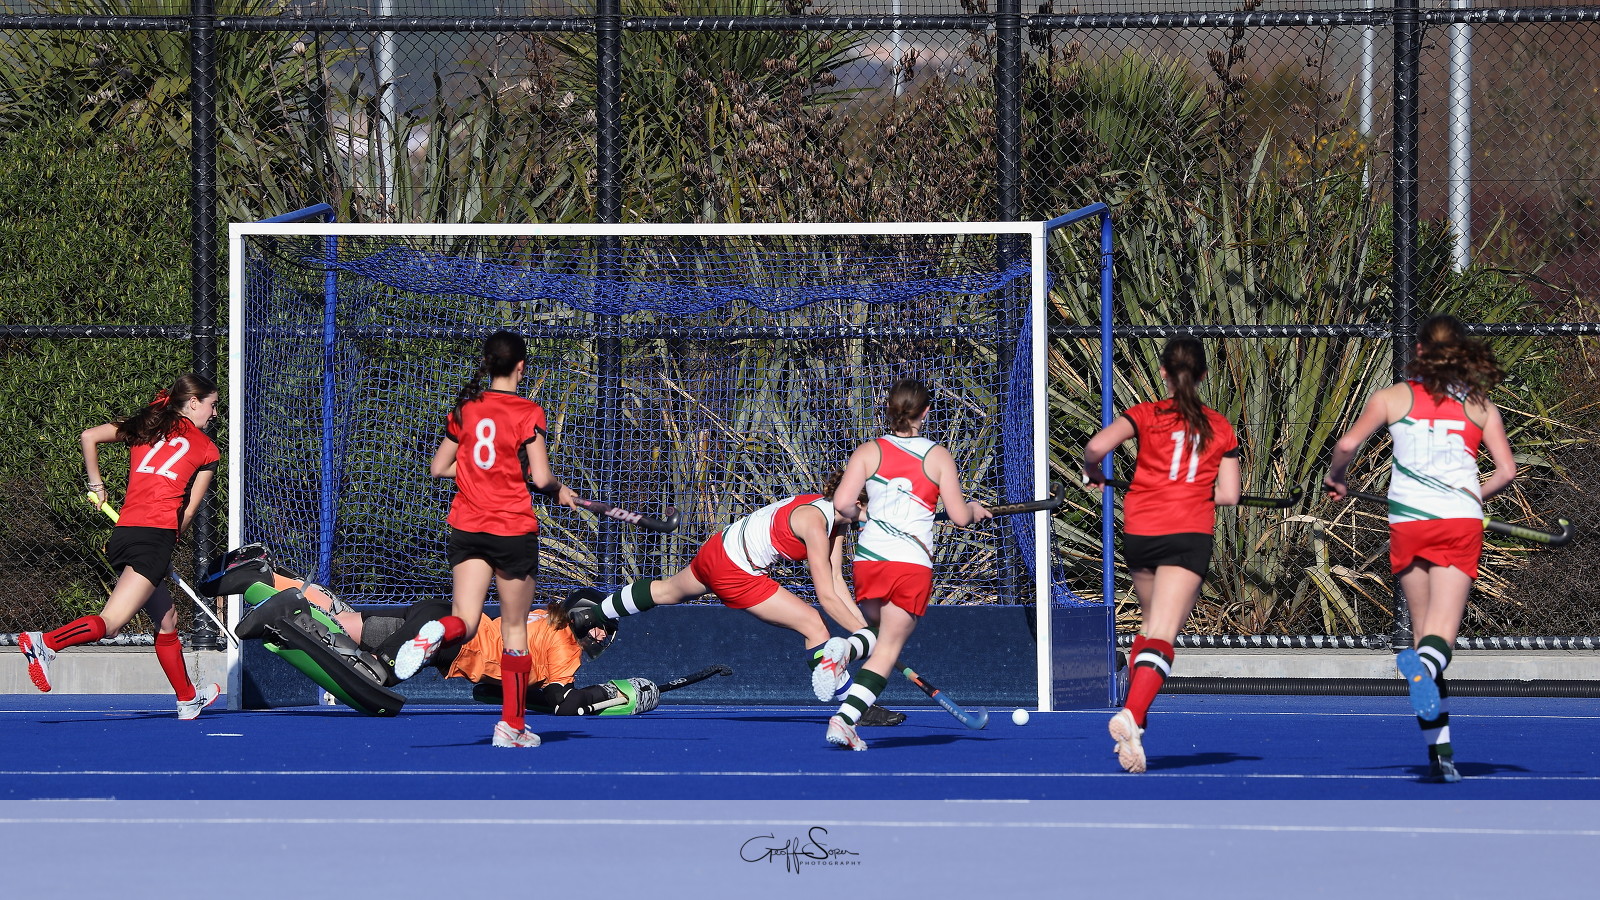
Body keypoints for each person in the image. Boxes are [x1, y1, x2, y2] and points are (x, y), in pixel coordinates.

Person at [1324, 314, 1516, 784]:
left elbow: (1347, 443)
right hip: (1458, 523)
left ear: (1420, 351)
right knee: (1439, 639)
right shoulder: (1480, 405)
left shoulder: (1392, 397)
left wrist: (1337, 477)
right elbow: (1507, 472)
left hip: (1409, 523)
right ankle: (1424, 671)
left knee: (1421, 635)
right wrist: (1474, 497)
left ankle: (1440, 755)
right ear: (1461, 352)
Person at [567, 471, 908, 727]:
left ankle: (594, 613)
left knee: (666, 591)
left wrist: (869, 633)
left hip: (720, 547)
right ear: (858, 502)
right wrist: (872, 639)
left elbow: (836, 581)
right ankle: (857, 708)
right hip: (736, 570)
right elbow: (827, 598)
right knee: (813, 625)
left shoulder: (836, 518)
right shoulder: (815, 524)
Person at [393, 330, 579, 748]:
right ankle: (511, 726)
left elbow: (439, 468)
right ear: (521, 367)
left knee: (466, 621)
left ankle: (438, 630)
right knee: (514, 628)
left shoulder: (466, 408)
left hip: (467, 527)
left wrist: (486, 475)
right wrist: (558, 490)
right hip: (511, 530)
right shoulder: (528, 411)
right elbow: (542, 477)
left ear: (488, 363)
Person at [18, 374, 223, 719]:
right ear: (193, 403)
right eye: (212, 405)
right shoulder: (207, 448)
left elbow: (88, 436)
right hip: (155, 537)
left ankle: (188, 698)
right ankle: (46, 643)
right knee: (111, 623)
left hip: (125, 533)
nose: (214, 413)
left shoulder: (146, 426)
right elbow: (188, 511)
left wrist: (97, 486)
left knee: (167, 620)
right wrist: (167, 545)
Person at [1083, 338, 1240, 773]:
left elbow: (1095, 448)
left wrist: (1094, 472)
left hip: (1141, 531)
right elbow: (1229, 494)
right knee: (1164, 635)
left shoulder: (1145, 413)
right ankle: (1132, 713)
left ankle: (1136, 726)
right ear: (1204, 375)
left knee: (1150, 626)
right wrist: (1194, 491)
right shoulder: (1219, 426)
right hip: (1187, 532)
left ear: (1164, 373)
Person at [823, 378, 992, 750]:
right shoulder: (938, 456)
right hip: (910, 563)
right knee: (887, 649)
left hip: (869, 559)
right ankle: (845, 718)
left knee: (877, 634)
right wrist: (974, 510)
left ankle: (846, 652)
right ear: (926, 412)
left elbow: (843, 504)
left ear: (889, 409)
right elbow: (959, 517)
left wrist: (865, 515)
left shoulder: (868, 451)